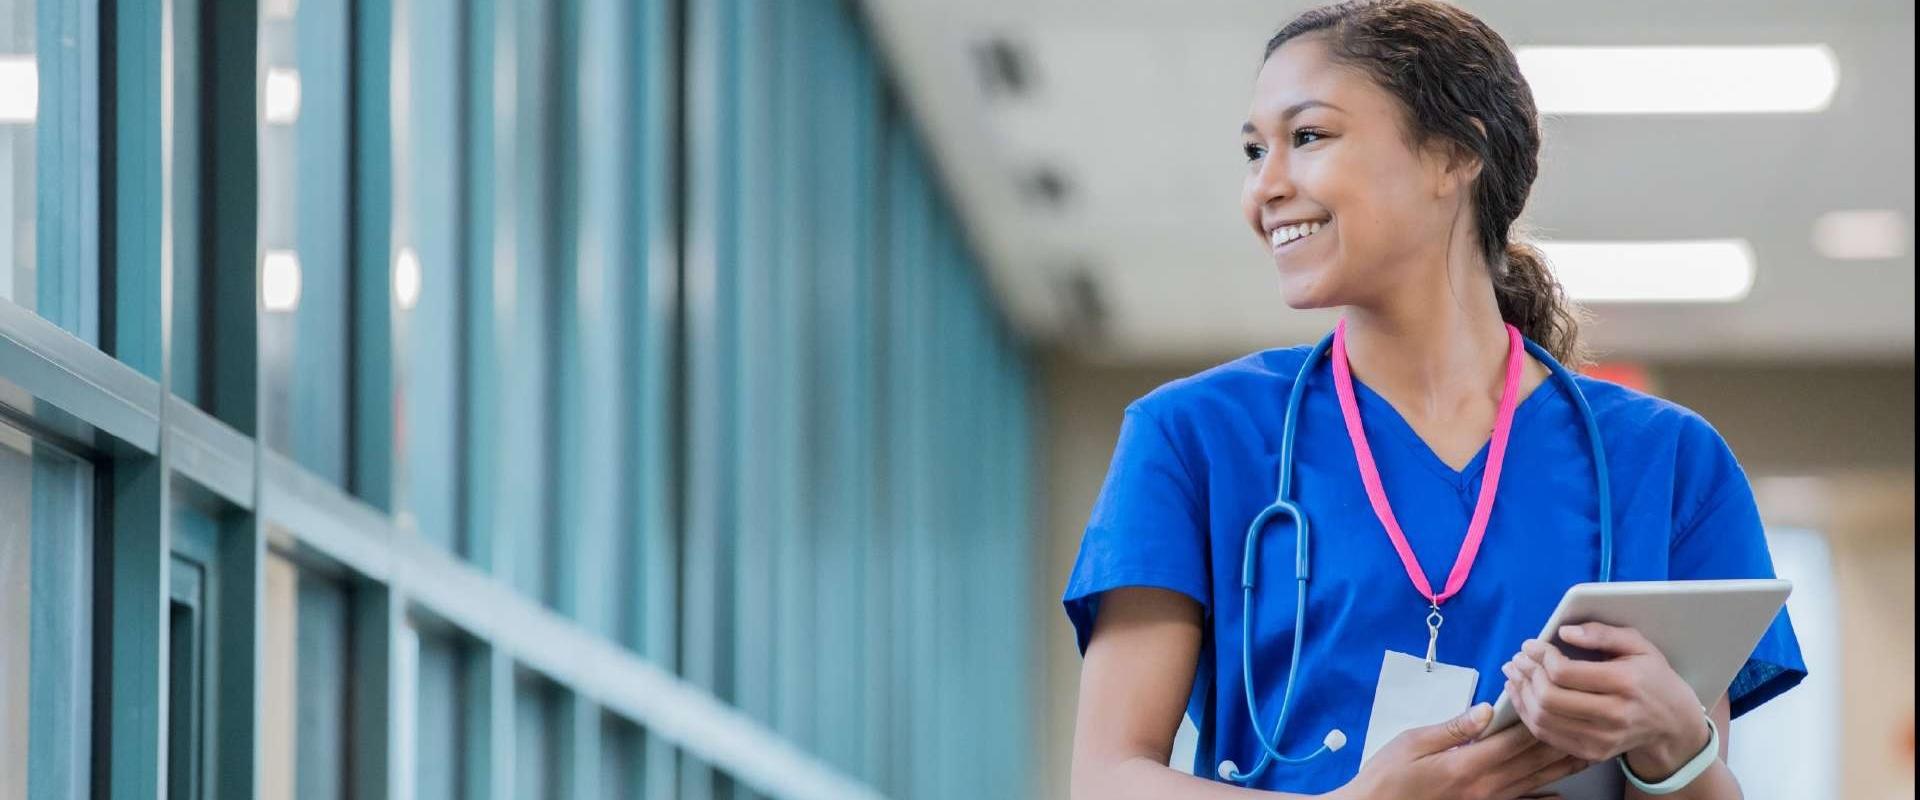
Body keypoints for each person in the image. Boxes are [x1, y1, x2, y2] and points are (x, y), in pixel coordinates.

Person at [1062, 2, 1806, 798]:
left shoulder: (1668, 464)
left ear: (1454, 154)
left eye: (1307, 137)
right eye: (1254, 151)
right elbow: (1106, 779)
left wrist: (1673, 740)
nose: (1264, 187)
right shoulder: (1194, 439)